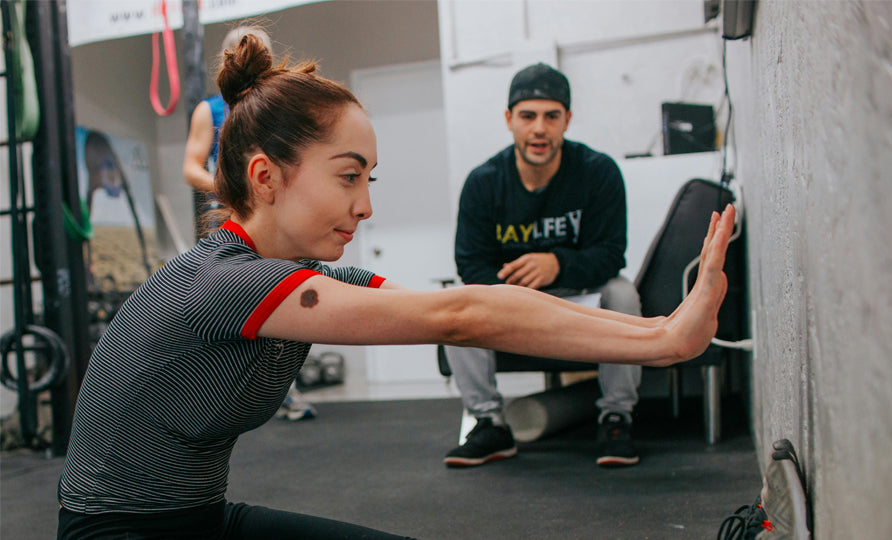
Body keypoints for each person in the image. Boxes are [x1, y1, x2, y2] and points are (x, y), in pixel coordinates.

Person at [57, 33, 735, 539]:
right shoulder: (220, 283)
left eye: (368, 180)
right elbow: (462, 315)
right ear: (266, 179)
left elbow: (479, 309)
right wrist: (665, 343)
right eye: (348, 177)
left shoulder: (306, 280)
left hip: (202, 520)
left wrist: (662, 331)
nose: (365, 206)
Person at [443, 63, 645, 468]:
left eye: (551, 116)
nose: (539, 128)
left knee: (623, 292)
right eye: (528, 116)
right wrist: (515, 297)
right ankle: (489, 423)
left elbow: (611, 253)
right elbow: (471, 262)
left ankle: (616, 417)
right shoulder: (483, 182)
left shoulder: (598, 171)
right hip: (511, 297)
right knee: (452, 301)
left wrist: (557, 264)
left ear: (567, 120)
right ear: (509, 120)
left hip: (576, 293)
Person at [182, 26, 315, 421]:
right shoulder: (210, 110)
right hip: (230, 220)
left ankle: (282, 390)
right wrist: (233, 190)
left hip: (275, 217)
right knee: (229, 304)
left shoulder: (279, 105)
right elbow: (191, 167)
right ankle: (224, 393)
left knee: (284, 295)